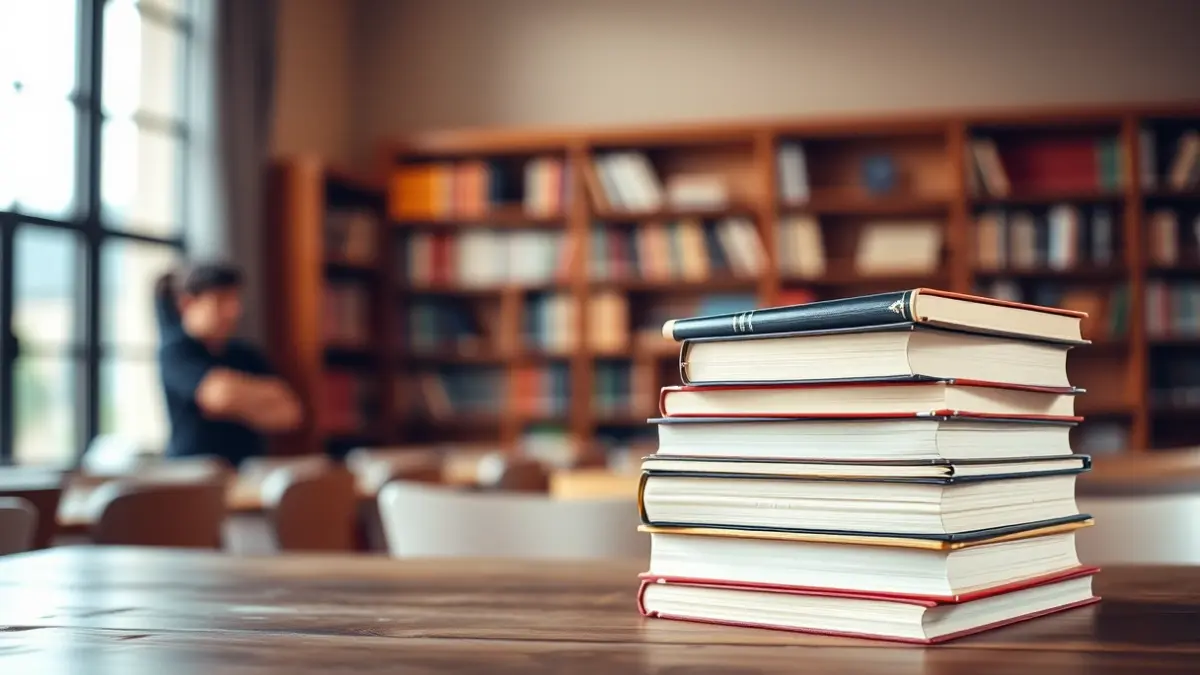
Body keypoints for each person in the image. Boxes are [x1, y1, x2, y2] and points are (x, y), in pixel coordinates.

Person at [154, 262, 302, 468]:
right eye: (220, 300)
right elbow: (220, 397)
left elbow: (290, 413)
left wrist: (235, 400)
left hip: (245, 475)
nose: (233, 311)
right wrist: (260, 402)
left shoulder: (247, 354)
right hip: (190, 476)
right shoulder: (176, 351)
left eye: (235, 300)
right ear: (188, 304)